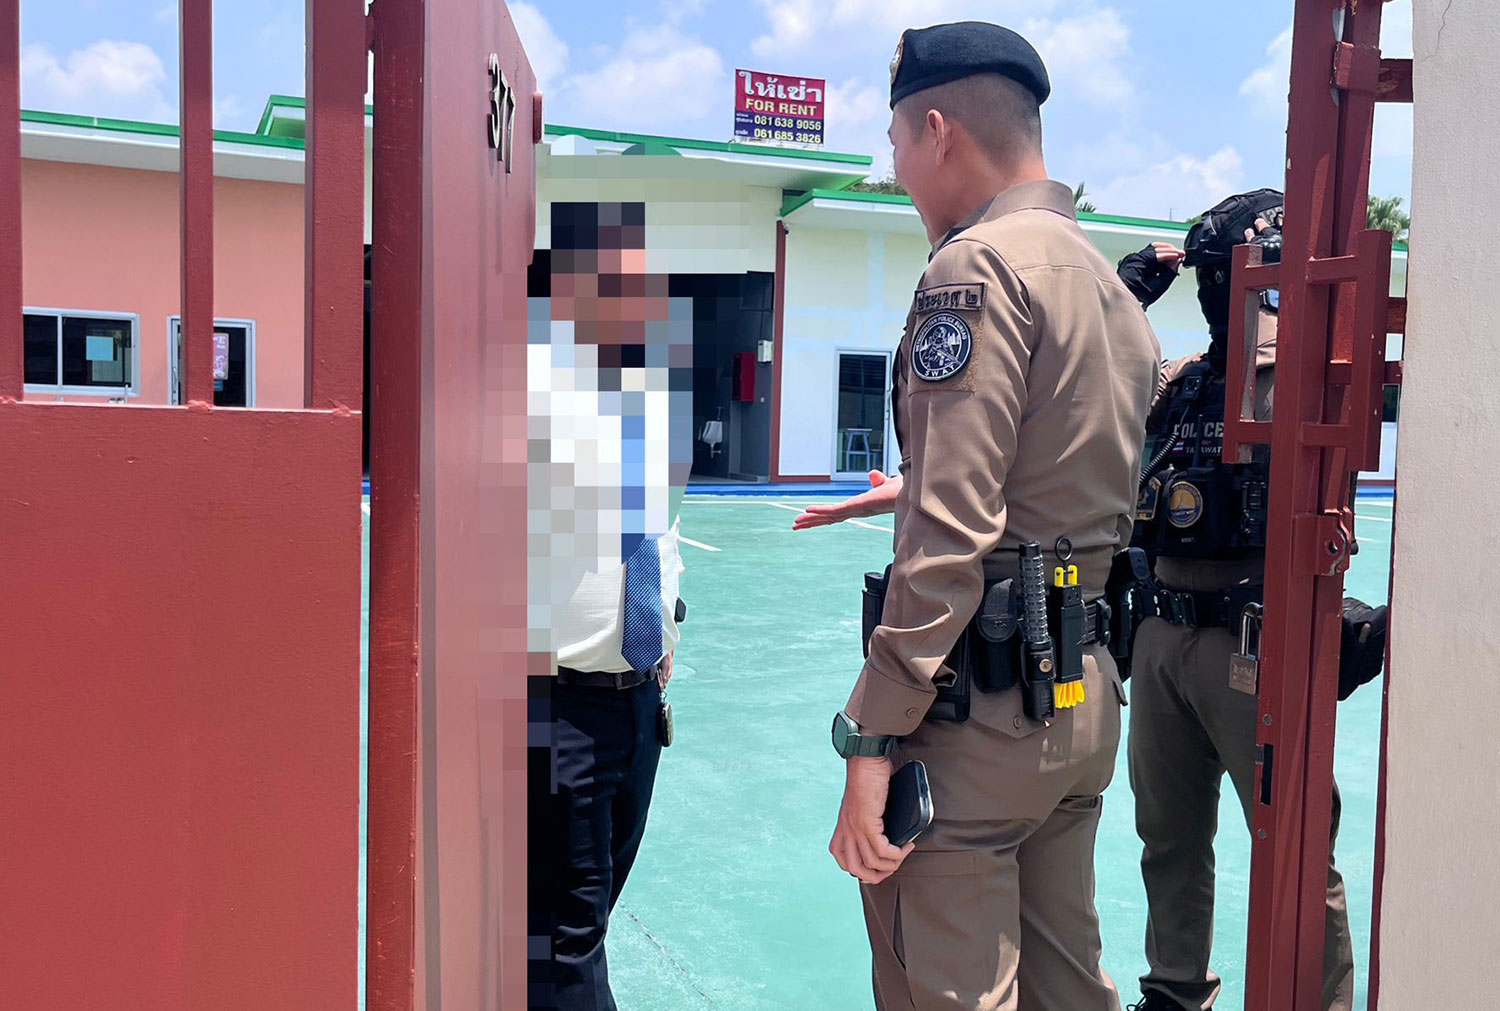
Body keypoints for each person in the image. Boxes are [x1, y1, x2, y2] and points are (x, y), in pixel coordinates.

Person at [822, 22, 1161, 1011]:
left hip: (980, 721)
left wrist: (871, 739)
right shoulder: (1107, 287)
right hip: (1080, 699)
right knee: (1067, 987)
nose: (895, 171)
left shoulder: (972, 274)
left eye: (893, 144)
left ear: (937, 129)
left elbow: (952, 541)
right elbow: (1065, 481)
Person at [1116, 190, 1357, 1011]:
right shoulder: (1180, 386)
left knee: (1293, 845)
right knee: (1168, 838)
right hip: (1162, 633)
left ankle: (1312, 1000)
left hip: (1254, 639)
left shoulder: (1299, 388)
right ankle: (1175, 989)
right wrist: (1124, 298)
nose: (1220, 285)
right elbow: (1094, 396)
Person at [526, 201, 693, 1011]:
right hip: (561, 705)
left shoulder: (646, 398)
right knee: (567, 934)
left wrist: (665, 625)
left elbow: (660, 531)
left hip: (638, 705)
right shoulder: (527, 392)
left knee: (584, 917)